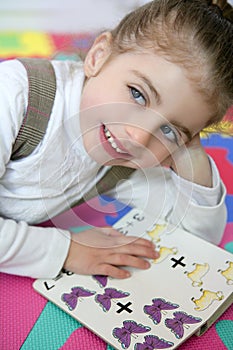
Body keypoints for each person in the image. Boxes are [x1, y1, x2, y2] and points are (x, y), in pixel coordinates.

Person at [0, 0, 232, 279]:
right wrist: (67, 249)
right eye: (137, 94)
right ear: (98, 56)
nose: (138, 137)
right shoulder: (15, 96)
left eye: (169, 130)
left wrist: (189, 150)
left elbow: (199, 235)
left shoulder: (122, 159)